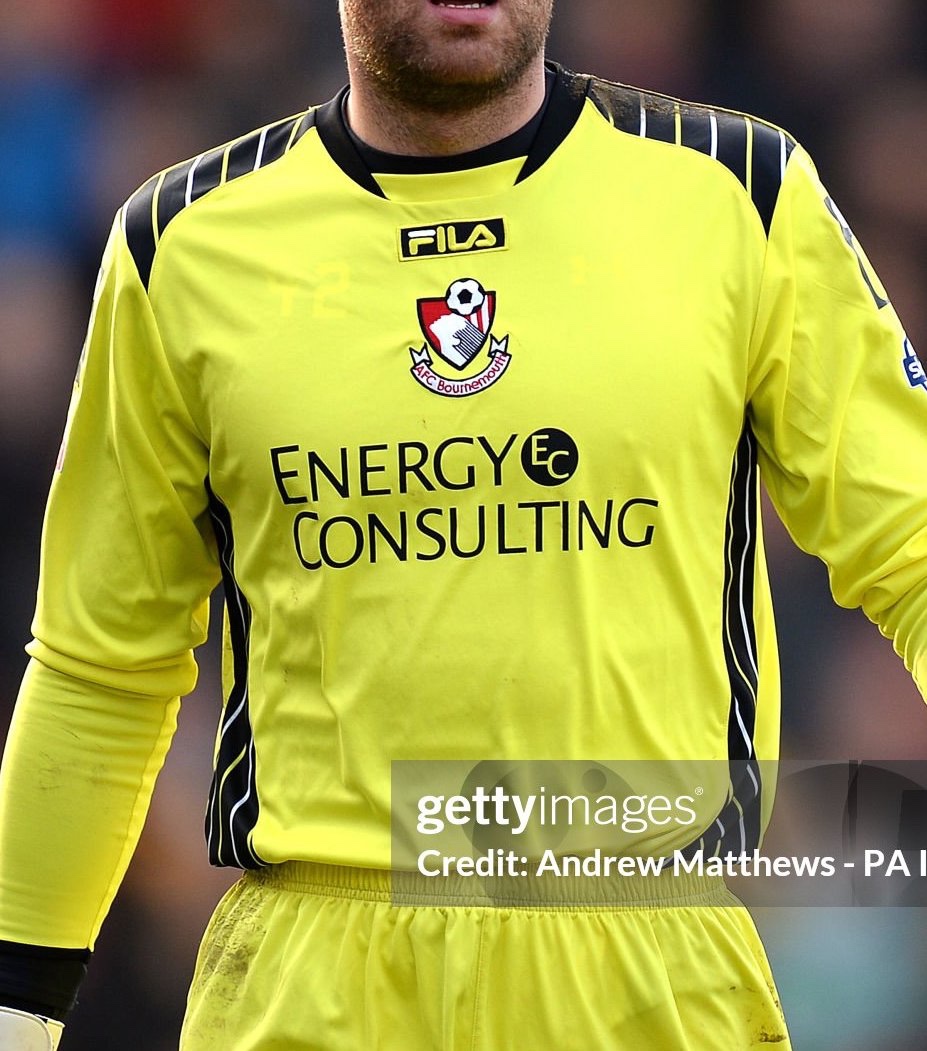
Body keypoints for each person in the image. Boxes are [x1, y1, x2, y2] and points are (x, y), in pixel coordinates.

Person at [2, 0, 926, 1047]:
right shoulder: (184, 241)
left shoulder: (739, 191)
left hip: (645, 957)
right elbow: (101, 663)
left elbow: (910, 549)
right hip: (313, 974)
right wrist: (17, 1005)